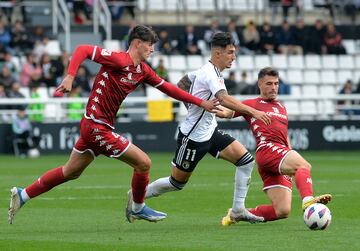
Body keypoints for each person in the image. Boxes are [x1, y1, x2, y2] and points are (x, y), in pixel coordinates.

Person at [8, 24, 219, 225]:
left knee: (70, 171)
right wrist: (70, 76)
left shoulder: (142, 70)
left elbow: (169, 89)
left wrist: (201, 103)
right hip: (95, 126)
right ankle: (137, 207)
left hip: (97, 126)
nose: (152, 49)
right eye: (149, 45)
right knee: (144, 163)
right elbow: (83, 49)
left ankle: (23, 194)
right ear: (137, 43)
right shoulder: (118, 60)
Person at [142, 32, 272, 223]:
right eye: (230, 52)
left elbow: (181, 84)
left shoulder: (205, 71)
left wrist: (195, 106)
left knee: (245, 161)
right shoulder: (211, 74)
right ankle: (137, 195)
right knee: (176, 183)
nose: (234, 57)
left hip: (210, 132)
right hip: (193, 138)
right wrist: (254, 112)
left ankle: (238, 210)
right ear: (217, 53)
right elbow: (224, 98)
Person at [216, 67, 332, 226]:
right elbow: (226, 113)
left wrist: (289, 156)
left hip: (280, 154)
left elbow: (284, 136)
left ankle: (237, 214)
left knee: (282, 210)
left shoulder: (282, 107)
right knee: (304, 165)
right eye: (269, 83)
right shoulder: (251, 104)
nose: (274, 87)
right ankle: (308, 201)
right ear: (259, 84)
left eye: (276, 83)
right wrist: (205, 106)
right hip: (268, 150)